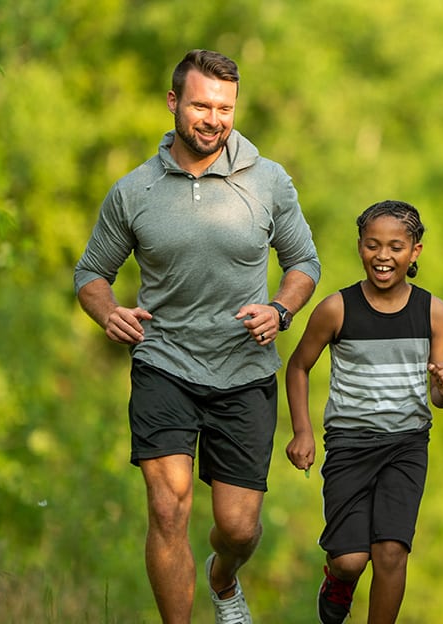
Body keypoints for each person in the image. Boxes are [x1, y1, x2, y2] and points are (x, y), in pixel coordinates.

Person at [73, 49, 320, 624]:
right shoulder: (133, 191)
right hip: (164, 362)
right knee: (168, 507)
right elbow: (91, 273)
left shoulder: (269, 180)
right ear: (173, 103)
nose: (214, 118)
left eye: (225, 108)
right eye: (202, 105)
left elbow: (304, 261)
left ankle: (223, 576)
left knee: (238, 527)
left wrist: (281, 310)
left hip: (245, 369)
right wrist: (108, 311)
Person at [285, 199, 443, 624]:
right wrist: (302, 431)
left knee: (392, 552)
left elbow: (441, 397)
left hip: (407, 444)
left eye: (396, 247)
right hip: (349, 445)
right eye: (372, 245)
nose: (383, 257)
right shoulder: (337, 308)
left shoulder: (433, 311)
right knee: (350, 560)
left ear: (415, 251)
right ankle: (338, 581)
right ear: (360, 247)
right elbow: (298, 366)